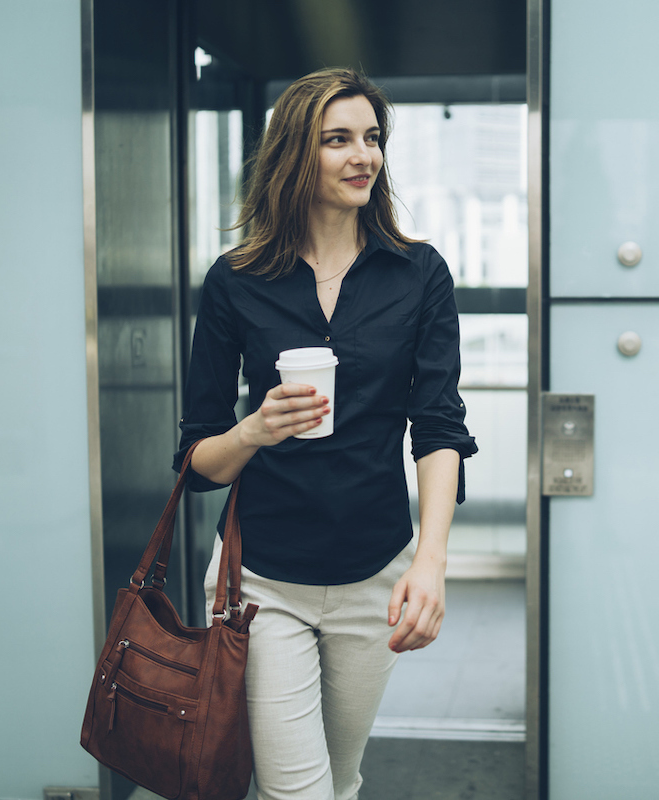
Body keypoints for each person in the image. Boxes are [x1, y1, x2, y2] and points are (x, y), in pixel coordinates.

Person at [172, 68, 477, 800]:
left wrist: (429, 562)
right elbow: (197, 462)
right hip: (262, 583)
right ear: (293, 156)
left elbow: (438, 427)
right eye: (337, 140)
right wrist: (255, 428)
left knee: (338, 782)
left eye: (371, 138)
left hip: (376, 573)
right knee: (298, 793)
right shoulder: (236, 281)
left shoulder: (419, 274)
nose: (362, 155)